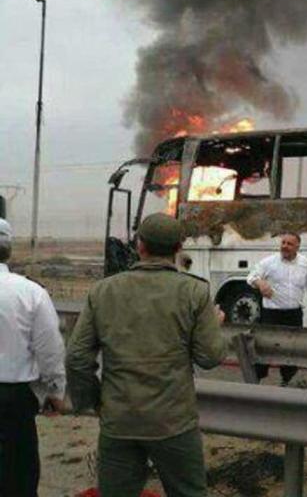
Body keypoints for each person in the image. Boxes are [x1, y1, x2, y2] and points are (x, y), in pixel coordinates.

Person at [66, 213, 226, 497]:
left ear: (139, 245)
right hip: (174, 422)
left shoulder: (103, 290)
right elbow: (210, 357)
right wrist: (214, 325)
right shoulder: (195, 291)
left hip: (119, 420)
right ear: (179, 249)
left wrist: (92, 403)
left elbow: (77, 357)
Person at [0, 218, 66, 497]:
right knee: (17, 478)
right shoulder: (30, 292)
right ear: (8, 250)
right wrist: (55, 391)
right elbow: (49, 349)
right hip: (13, 400)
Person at [246, 232, 307, 385]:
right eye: (283, 243)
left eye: (289, 244)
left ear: (297, 246)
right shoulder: (269, 262)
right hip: (271, 314)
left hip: (293, 314)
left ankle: (287, 381)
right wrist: (260, 283)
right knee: (265, 348)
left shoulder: (305, 264)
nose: (285, 246)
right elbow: (251, 277)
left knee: (291, 350)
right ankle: (255, 380)